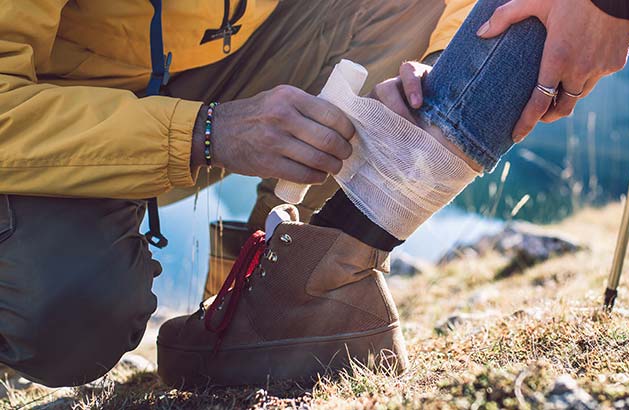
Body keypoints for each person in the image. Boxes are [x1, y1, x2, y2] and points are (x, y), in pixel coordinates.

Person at [157, 0, 629, 387]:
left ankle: (298, 285)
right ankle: (300, 286)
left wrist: (445, 65)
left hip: (230, 45)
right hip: (103, 108)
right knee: (95, 317)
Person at [0, 0, 478, 387]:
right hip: (46, 125)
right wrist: (203, 133)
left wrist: (438, 66)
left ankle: (277, 295)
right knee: (72, 325)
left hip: (205, 69)